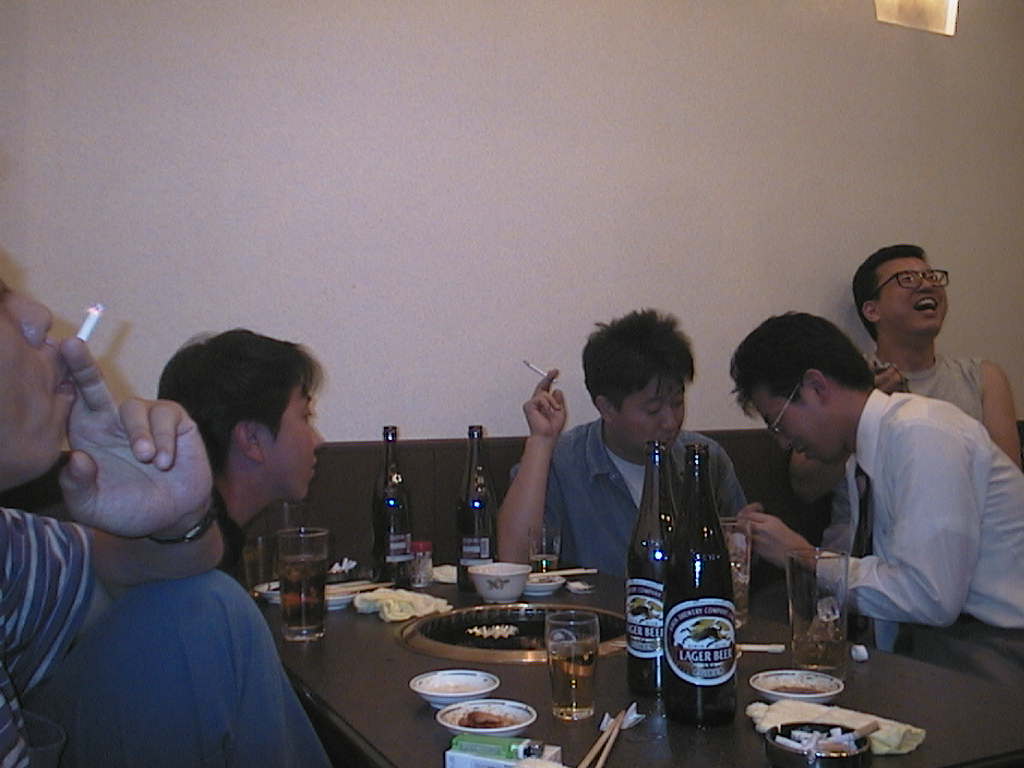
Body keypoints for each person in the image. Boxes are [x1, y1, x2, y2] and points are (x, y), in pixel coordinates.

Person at [0, 278, 329, 766]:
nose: (36, 314)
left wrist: (180, 519)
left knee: (208, 605)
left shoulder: (9, 548)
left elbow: (122, 579)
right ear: (251, 440)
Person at [731, 311, 1024, 684]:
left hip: (992, 648)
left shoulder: (924, 434)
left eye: (778, 423)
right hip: (937, 642)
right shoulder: (866, 450)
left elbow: (931, 598)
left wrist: (806, 558)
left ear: (816, 387)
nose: (785, 442)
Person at [497, 309, 759, 575]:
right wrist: (541, 441)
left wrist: (747, 538)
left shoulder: (704, 459)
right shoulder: (562, 465)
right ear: (607, 408)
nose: (671, 422)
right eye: (653, 410)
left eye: (678, 403)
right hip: (599, 603)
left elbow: (740, 562)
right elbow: (514, 562)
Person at [790, 244, 1021, 503]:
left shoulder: (983, 377)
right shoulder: (841, 379)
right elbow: (804, 484)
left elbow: (1008, 486)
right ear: (872, 310)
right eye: (907, 279)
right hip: (864, 530)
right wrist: (864, 409)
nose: (927, 285)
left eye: (931, 276)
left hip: (959, 526)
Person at [157, 329, 324, 576]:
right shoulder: (197, 574)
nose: (318, 441)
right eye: (305, 416)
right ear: (252, 439)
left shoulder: (211, 545)